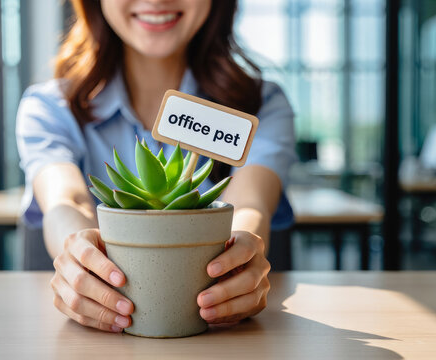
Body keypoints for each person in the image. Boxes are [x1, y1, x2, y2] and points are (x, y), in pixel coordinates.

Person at [16, 0, 297, 333]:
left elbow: (252, 202)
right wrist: (77, 255)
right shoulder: (51, 108)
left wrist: (240, 255)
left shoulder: (261, 104)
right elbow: (66, 201)